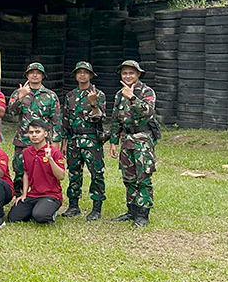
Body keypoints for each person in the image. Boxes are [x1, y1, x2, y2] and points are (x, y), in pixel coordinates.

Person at [108, 60, 157, 227]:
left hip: (142, 139)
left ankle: (143, 214)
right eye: (124, 73)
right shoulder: (119, 94)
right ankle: (132, 210)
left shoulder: (146, 91)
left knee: (143, 177)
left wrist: (133, 97)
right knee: (128, 177)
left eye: (131, 73)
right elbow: (115, 119)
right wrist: (113, 141)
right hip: (126, 140)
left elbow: (148, 111)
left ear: (138, 74)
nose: (128, 76)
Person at [7, 62, 62, 196]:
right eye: (32, 72)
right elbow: (11, 112)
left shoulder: (50, 95)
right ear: (27, 75)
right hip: (23, 140)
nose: (35, 75)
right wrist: (20, 98)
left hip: (43, 141)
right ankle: (20, 197)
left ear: (43, 76)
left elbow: (56, 120)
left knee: (44, 171)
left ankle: (44, 195)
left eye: (38, 73)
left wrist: (56, 141)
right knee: (19, 170)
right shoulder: (18, 93)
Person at [60, 61, 106, 220]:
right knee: (73, 173)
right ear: (75, 75)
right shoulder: (70, 96)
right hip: (73, 141)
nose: (82, 75)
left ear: (91, 75)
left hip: (92, 140)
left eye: (85, 72)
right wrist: (64, 143)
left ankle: (97, 207)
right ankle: (73, 206)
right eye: (79, 72)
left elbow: (100, 117)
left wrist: (93, 103)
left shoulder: (98, 94)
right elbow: (65, 120)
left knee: (96, 173)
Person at [8, 119, 66, 224]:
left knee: (40, 217)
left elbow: (61, 176)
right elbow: (26, 173)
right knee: (13, 217)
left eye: (37, 132)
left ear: (45, 133)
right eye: (31, 132)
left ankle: (49, 212)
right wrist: (24, 194)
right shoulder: (26, 152)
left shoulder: (54, 152)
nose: (34, 135)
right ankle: (38, 208)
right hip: (33, 194)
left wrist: (50, 159)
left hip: (51, 195)